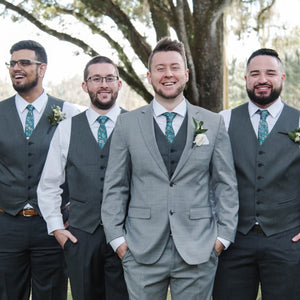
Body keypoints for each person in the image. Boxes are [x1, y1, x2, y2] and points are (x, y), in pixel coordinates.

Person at [101, 37, 239, 300]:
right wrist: (119, 242)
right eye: (160, 68)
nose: (168, 74)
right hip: (140, 249)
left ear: (186, 75)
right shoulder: (127, 124)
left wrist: (222, 239)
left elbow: (225, 184)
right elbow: (115, 186)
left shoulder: (211, 122)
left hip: (199, 248)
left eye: (175, 67)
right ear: (150, 76)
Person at [37, 55, 129, 300]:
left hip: (128, 234)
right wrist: (57, 228)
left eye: (110, 78)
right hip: (81, 237)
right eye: (96, 79)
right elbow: (48, 185)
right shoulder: (67, 128)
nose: (104, 84)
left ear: (119, 84)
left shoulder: (136, 124)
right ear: (85, 85)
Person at [213, 48, 300, 300]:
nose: (262, 79)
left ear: (282, 78)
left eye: (270, 73)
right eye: (255, 73)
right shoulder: (223, 120)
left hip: (288, 241)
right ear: (246, 80)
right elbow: (208, 177)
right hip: (234, 240)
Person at [0, 40, 79, 300]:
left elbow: (80, 168)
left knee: (53, 295)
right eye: (12, 63)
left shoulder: (68, 112)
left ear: (42, 68)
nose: (16, 68)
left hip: (53, 225)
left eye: (24, 62)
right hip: (6, 224)